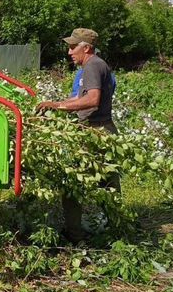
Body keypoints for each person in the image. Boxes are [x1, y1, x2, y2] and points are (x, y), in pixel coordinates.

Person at [37, 28, 119, 243]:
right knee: (108, 184)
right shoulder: (94, 66)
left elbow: (92, 100)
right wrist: (55, 105)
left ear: (87, 48)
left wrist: (59, 106)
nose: (69, 52)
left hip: (95, 132)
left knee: (72, 183)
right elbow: (80, 98)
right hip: (100, 130)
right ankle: (117, 229)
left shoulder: (92, 66)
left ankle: (76, 237)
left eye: (73, 47)